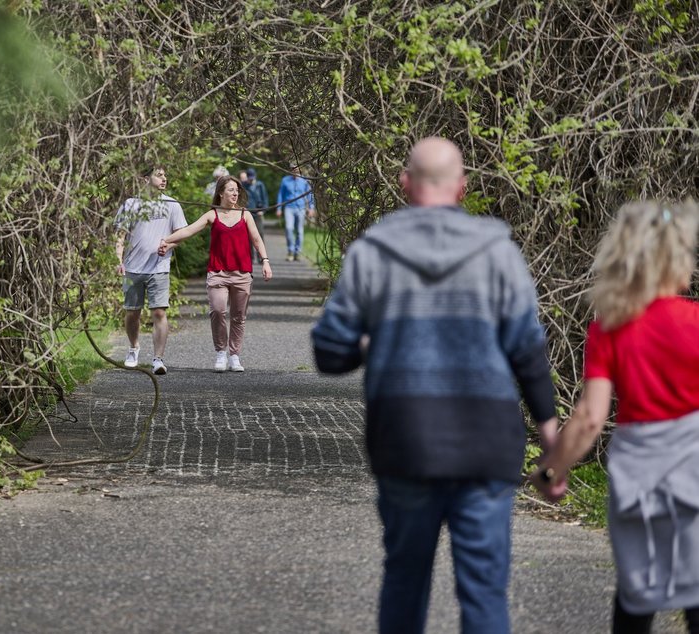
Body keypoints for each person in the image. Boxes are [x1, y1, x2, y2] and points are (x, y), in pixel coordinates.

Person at [311, 137, 558, 634]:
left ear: (405, 184)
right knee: (485, 590)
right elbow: (528, 352)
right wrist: (551, 433)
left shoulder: (372, 253)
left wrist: (373, 343)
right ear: (462, 186)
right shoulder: (499, 253)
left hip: (406, 441)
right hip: (487, 444)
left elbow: (329, 353)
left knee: (404, 579)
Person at [531, 200, 699, 634]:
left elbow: (590, 417)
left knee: (635, 595)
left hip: (638, 483)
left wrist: (553, 470)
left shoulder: (610, 328)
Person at [158, 176, 273, 372]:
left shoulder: (245, 215)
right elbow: (189, 231)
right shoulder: (212, 215)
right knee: (218, 311)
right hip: (218, 273)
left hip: (242, 273)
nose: (235, 193)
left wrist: (265, 261)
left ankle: (234, 355)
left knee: (238, 316)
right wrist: (166, 241)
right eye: (230, 190)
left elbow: (256, 239)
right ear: (221, 193)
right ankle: (221, 352)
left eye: (236, 190)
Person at [114, 166, 187, 375]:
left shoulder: (171, 204)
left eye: (165, 174)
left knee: (159, 311)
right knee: (132, 312)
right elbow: (120, 235)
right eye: (159, 175)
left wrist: (169, 245)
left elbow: (181, 234)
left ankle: (158, 359)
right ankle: (133, 348)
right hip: (131, 269)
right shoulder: (131, 204)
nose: (164, 178)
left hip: (159, 268)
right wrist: (118, 260)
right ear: (145, 179)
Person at [276, 164, 315, 261]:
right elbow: (281, 194)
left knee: (299, 231)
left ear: (300, 170)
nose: (295, 171)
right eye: (293, 169)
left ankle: (297, 252)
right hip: (289, 208)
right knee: (289, 229)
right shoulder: (285, 180)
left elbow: (310, 195)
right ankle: (290, 251)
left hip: (301, 208)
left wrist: (311, 208)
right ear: (290, 170)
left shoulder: (304, 181)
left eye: (297, 169)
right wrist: (279, 208)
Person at [245, 168, 270, 264]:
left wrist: (263, 210)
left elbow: (265, 199)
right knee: (248, 236)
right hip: (248, 213)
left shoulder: (260, 185)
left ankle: (261, 257)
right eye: (249, 177)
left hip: (258, 213)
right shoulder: (244, 185)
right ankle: (250, 257)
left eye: (252, 177)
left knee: (259, 234)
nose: (251, 179)